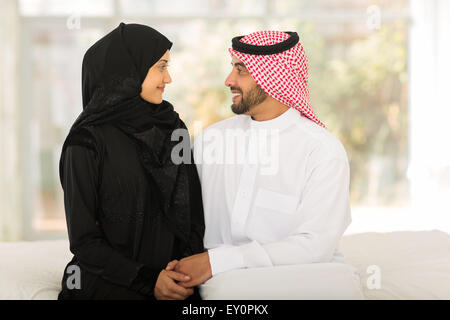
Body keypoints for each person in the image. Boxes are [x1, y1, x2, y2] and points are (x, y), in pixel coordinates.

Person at [165, 31, 353, 294]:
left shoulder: (321, 151)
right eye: (232, 68)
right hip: (220, 284)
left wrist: (217, 261)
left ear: (275, 78)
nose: (228, 80)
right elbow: (180, 218)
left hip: (301, 279)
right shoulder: (211, 141)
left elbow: (315, 246)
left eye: (241, 71)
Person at [57, 22, 204, 300]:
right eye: (161, 66)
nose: (168, 79)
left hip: (173, 277)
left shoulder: (173, 129)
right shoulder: (85, 142)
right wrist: (149, 280)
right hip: (110, 279)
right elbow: (84, 242)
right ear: (129, 70)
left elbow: (192, 214)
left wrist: (181, 270)